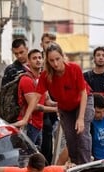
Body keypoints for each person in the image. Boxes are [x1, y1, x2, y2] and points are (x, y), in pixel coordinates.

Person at [24, 42, 94, 165]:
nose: (55, 64)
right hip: (65, 108)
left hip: (83, 101)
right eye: (51, 60)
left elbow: (83, 93)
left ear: (62, 56)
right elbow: (36, 97)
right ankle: (76, 165)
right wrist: (25, 119)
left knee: (82, 134)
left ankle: (86, 165)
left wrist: (81, 118)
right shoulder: (46, 75)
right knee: (71, 139)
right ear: (48, 61)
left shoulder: (74, 68)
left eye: (57, 59)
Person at [12, 49, 57, 148]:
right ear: (29, 61)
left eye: (40, 58)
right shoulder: (26, 80)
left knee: (36, 157)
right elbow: (35, 107)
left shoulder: (41, 79)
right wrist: (56, 109)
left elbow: (48, 101)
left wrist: (62, 103)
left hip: (38, 125)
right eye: (34, 58)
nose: (38, 60)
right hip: (29, 124)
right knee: (27, 157)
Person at [40, 32, 59, 164]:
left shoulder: (58, 61)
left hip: (54, 106)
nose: (49, 45)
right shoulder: (37, 59)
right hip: (42, 107)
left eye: (52, 42)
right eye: (47, 42)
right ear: (42, 44)